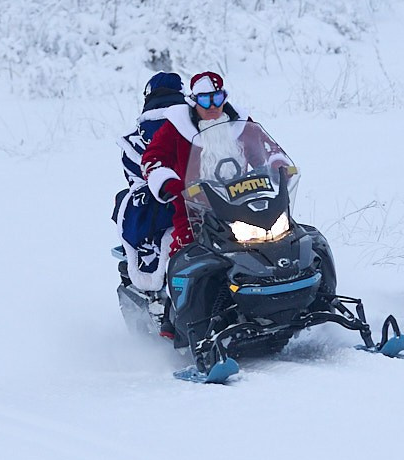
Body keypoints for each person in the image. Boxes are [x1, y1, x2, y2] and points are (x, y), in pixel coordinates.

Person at [140, 71, 295, 361]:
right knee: (186, 251)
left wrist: (278, 163)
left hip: (245, 196)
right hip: (194, 207)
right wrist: (167, 180)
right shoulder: (177, 127)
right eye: (205, 99)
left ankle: (294, 299)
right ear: (194, 100)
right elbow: (152, 158)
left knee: (286, 236)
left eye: (217, 98)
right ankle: (178, 319)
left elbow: (265, 145)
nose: (212, 106)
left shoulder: (240, 122)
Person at [115, 70, 188, 294]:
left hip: (164, 212)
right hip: (200, 204)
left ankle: (157, 294)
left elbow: (134, 180)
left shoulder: (133, 139)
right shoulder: (192, 124)